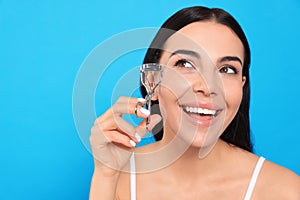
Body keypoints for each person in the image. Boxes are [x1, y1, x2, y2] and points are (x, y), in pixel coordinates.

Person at [89, 6, 300, 200]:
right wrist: (106, 175)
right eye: (185, 64)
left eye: (227, 69)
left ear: (241, 86)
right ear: (152, 79)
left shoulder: (284, 190)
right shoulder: (118, 178)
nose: (208, 87)